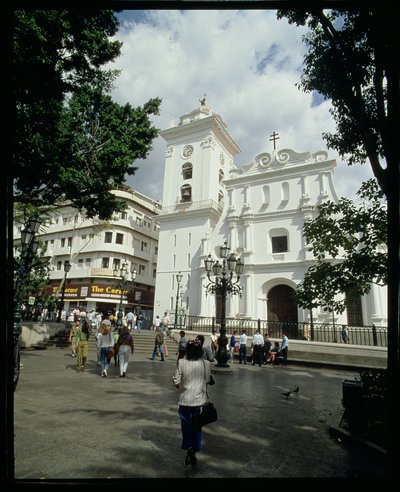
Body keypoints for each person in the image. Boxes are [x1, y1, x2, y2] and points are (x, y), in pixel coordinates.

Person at [173, 339, 212, 466]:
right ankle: (195, 449)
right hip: (199, 401)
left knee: (185, 425)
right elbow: (206, 380)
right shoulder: (206, 363)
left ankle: (188, 446)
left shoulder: (181, 362)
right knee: (197, 426)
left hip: (184, 400)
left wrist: (183, 384)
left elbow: (176, 382)